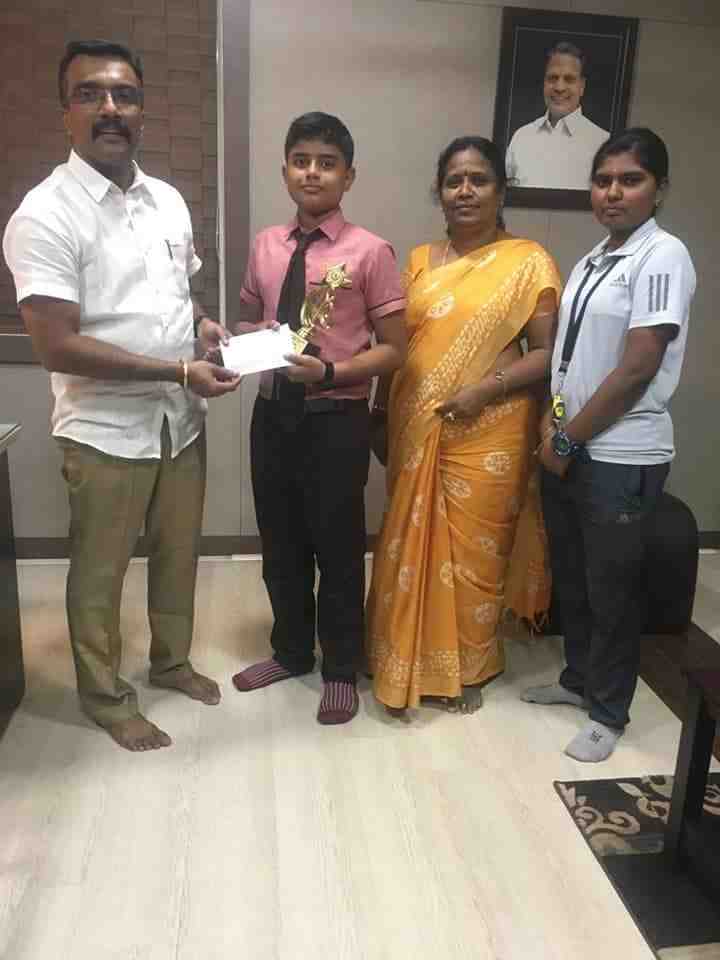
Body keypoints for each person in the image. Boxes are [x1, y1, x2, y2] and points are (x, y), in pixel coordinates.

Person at [2, 40, 241, 752]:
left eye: (125, 95)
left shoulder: (166, 199)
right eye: (90, 94)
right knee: (99, 574)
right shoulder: (45, 215)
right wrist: (177, 372)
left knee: (178, 554)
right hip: (104, 431)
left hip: (179, 423)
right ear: (65, 113)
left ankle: (171, 662)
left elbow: (177, 292)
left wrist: (202, 325)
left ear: (142, 109)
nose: (110, 108)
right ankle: (105, 697)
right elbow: (56, 345)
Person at [366, 136, 562, 713]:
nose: (466, 190)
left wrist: (485, 390)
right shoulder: (418, 262)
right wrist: (379, 411)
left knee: (477, 556)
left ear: (501, 190)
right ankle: (399, 656)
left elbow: (547, 354)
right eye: (454, 180)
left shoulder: (528, 261)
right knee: (408, 541)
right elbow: (394, 346)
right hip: (416, 424)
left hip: (492, 428)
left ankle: (469, 668)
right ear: (440, 191)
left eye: (479, 179)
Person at [230, 112, 407, 724]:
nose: (313, 172)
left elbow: (396, 349)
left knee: (337, 549)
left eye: (327, 163)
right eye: (302, 161)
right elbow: (251, 319)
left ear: (348, 176)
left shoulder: (371, 251)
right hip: (272, 416)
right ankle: (290, 652)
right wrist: (241, 341)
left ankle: (339, 669)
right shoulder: (265, 245)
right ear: (285, 170)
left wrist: (330, 371)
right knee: (279, 543)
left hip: (336, 420)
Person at [527, 128, 696, 762]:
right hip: (570, 444)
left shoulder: (664, 255)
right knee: (573, 578)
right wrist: (552, 426)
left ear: (659, 189)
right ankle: (579, 679)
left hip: (620, 455)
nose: (613, 192)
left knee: (613, 590)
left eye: (630, 180)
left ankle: (608, 710)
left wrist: (567, 440)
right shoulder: (596, 257)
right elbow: (569, 360)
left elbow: (636, 369)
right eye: (603, 181)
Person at [506, 42, 609, 190]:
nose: (559, 87)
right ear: (544, 83)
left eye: (569, 79)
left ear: (582, 86)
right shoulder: (521, 137)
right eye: (553, 78)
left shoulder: (603, 143)